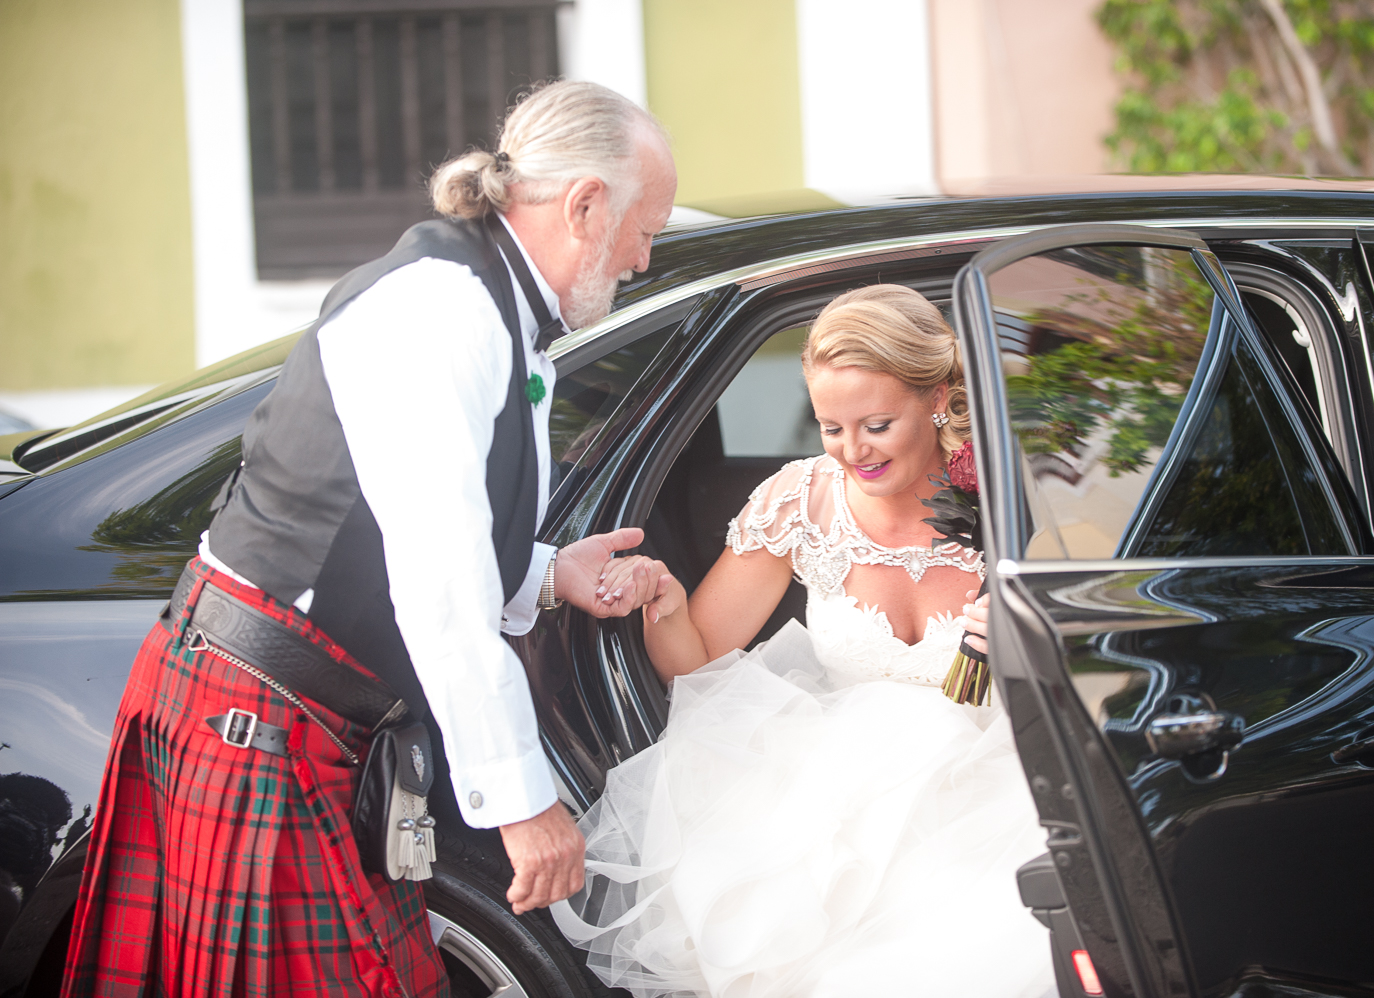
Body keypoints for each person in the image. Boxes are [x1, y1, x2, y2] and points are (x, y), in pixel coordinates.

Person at [62, 81, 676, 997]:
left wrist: (548, 576)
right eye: (645, 226)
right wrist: (522, 804)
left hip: (296, 718)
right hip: (258, 716)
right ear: (585, 205)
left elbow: (425, 524)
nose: (646, 254)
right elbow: (436, 578)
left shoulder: (495, 307)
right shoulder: (441, 309)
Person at [551, 285, 1053, 997]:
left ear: (938, 398)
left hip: (998, 804)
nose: (854, 452)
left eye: (876, 424)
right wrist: (663, 599)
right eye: (831, 427)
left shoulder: (1018, 495)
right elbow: (696, 662)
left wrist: (1032, 634)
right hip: (836, 813)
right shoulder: (801, 501)